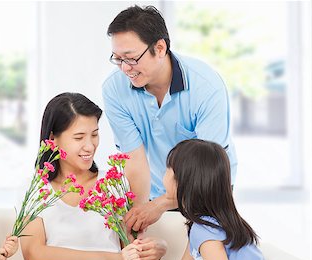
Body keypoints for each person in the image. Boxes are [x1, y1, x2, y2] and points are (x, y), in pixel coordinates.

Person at [102, 5, 238, 233]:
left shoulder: (206, 87)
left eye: (132, 58)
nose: (125, 68)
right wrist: (139, 216)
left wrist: (163, 203)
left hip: (208, 185)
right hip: (157, 187)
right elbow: (134, 159)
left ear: (160, 48)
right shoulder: (114, 89)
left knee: (202, 253)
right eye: (118, 59)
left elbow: (207, 167)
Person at [19, 92, 166, 260]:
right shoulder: (36, 188)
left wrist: (153, 249)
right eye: (79, 137)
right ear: (53, 138)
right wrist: (108, 259)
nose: (90, 146)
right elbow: (35, 254)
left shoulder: (114, 184)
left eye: (94, 134)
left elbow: (128, 249)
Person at [121, 139, 270, 260]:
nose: (163, 176)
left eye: (168, 169)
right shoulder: (205, 226)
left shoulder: (206, 232)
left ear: (181, 181)